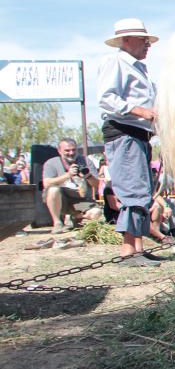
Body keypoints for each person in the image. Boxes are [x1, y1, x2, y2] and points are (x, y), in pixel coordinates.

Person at [97, 17, 161, 268]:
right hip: (124, 132)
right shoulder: (114, 62)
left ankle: (138, 248)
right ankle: (128, 251)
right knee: (134, 190)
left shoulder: (139, 69)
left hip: (138, 134)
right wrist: (141, 112)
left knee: (142, 190)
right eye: (143, 39)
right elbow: (106, 98)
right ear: (126, 40)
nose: (148, 44)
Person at [41, 138, 102, 233]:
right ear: (59, 151)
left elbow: (97, 184)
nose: (71, 153)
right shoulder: (51, 163)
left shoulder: (86, 161)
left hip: (81, 202)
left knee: (97, 213)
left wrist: (88, 176)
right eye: (67, 150)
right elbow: (46, 183)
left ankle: (76, 217)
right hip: (62, 202)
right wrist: (67, 175)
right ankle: (57, 223)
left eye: (74, 150)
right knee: (53, 190)